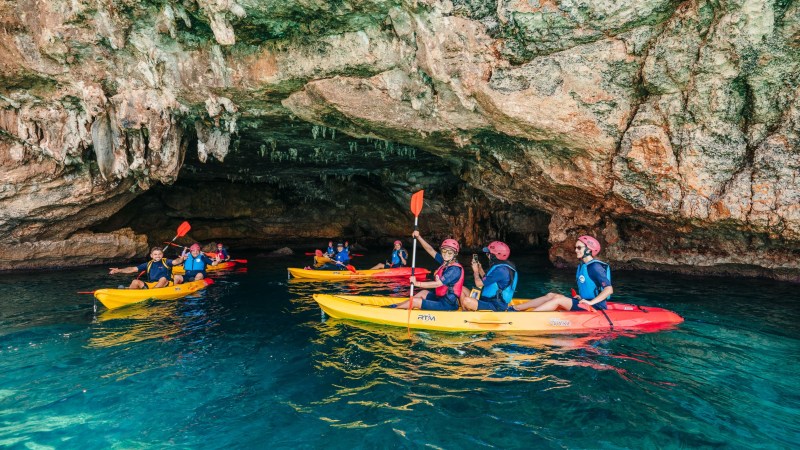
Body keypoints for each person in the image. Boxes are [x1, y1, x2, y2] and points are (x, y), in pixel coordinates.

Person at [510, 235, 612, 312]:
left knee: (558, 299)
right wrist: (582, 298)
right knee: (551, 295)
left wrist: (590, 302)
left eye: (579, 248)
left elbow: (609, 289)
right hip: (584, 302)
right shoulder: (583, 265)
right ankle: (516, 308)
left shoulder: (594, 267)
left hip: (595, 307)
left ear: (589, 250)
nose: (576, 250)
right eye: (576, 247)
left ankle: (527, 317)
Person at [389, 231, 463, 311]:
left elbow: (437, 284)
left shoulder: (454, 270)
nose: (446, 254)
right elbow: (430, 250)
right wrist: (418, 237)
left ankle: (392, 311)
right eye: (444, 251)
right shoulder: (445, 261)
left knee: (415, 301)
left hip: (448, 304)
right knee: (423, 292)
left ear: (455, 254)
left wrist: (417, 283)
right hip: (440, 298)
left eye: (450, 252)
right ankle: (397, 306)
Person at [460, 241, 518, 311]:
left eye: (488, 254)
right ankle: (466, 311)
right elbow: (488, 280)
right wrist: (480, 269)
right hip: (487, 300)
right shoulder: (501, 267)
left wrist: (475, 271)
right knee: (461, 288)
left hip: (496, 305)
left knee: (466, 301)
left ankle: (465, 315)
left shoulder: (501, 271)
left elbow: (478, 284)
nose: (487, 255)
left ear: (494, 256)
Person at [109, 247, 184, 289]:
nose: (157, 256)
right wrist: (119, 270)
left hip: (166, 284)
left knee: (163, 278)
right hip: (151, 285)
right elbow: (132, 269)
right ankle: (131, 294)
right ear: (151, 255)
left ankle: (151, 293)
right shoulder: (148, 264)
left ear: (162, 254)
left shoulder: (166, 261)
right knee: (135, 281)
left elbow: (175, 262)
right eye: (155, 254)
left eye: (159, 254)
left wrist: (181, 259)